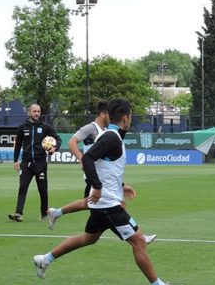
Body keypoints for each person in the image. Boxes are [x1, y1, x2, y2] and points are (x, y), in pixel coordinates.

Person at [33, 99, 184, 285]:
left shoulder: (113, 137)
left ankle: (46, 259)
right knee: (139, 241)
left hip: (105, 204)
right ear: (125, 118)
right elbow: (87, 159)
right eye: (130, 117)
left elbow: (105, 167)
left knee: (89, 238)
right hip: (108, 205)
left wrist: (121, 185)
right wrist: (96, 187)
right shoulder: (111, 138)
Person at [45, 101, 156, 244]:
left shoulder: (107, 131)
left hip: (100, 173)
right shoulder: (90, 128)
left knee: (90, 204)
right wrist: (81, 160)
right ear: (103, 113)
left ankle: (56, 213)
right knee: (114, 203)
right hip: (94, 173)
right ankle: (137, 236)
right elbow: (72, 142)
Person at [8, 103, 61, 222]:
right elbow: (17, 145)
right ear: (29, 112)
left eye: (38, 111)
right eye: (34, 111)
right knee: (22, 187)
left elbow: (58, 139)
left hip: (40, 163)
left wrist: (55, 147)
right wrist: (15, 160)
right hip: (26, 164)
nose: (37, 113)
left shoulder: (45, 127)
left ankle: (44, 214)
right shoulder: (22, 127)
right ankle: (18, 213)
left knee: (42, 190)